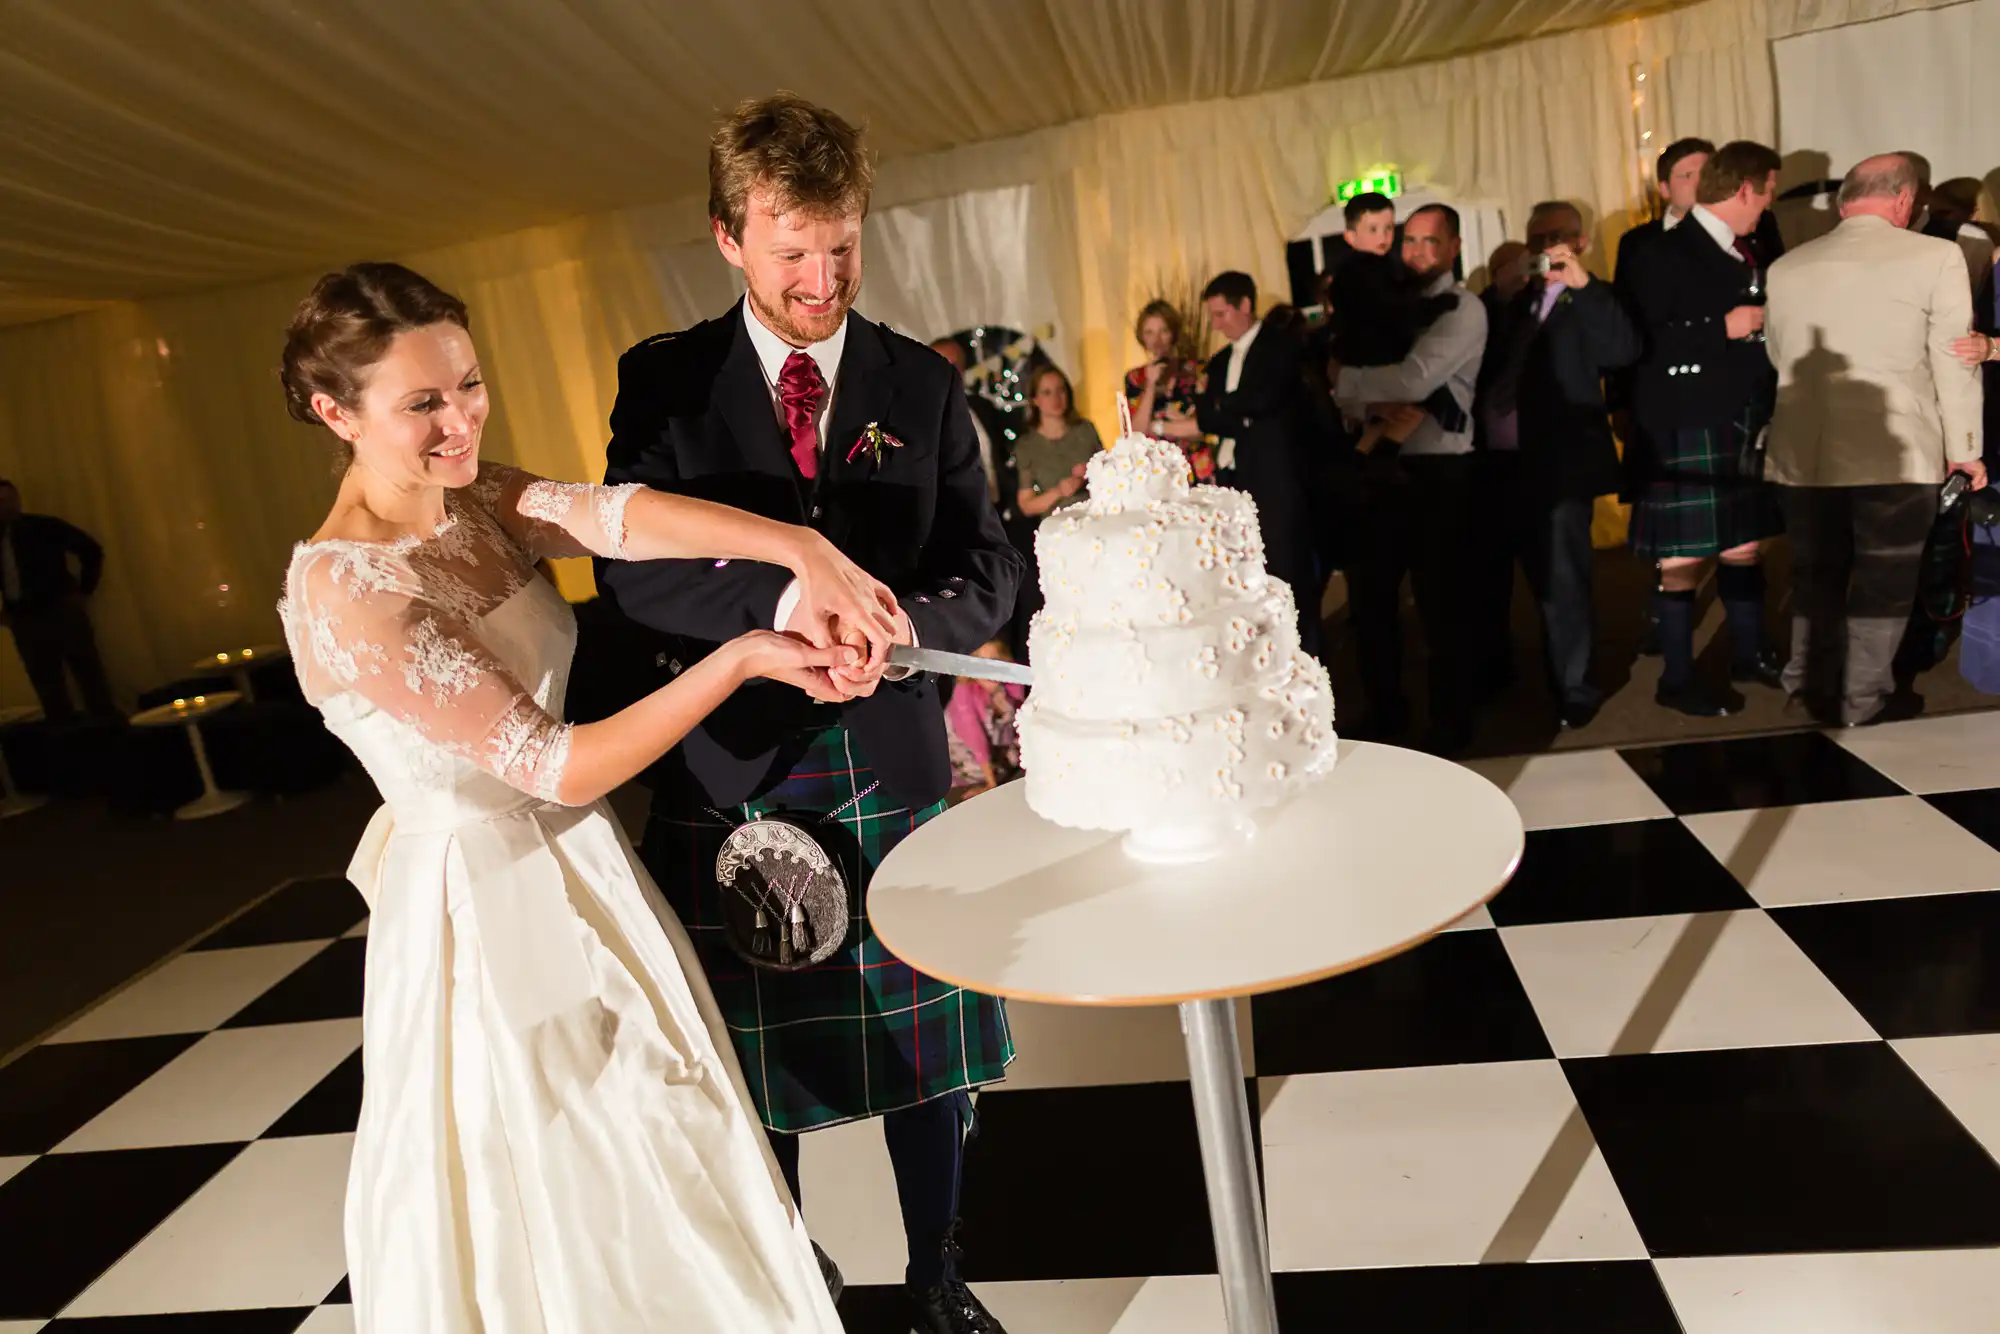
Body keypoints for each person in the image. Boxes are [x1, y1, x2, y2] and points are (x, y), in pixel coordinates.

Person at [275, 263, 889, 1333]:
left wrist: (799, 546)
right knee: (573, 1180)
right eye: (422, 402)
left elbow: (610, 516)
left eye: (467, 384)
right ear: (337, 413)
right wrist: (744, 653)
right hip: (482, 908)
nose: (459, 418)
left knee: (671, 1142)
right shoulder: (346, 588)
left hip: (580, 864)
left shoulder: (464, 492)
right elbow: (555, 762)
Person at [597, 95, 1022, 1334]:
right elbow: (631, 563)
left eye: (841, 247)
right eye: (791, 251)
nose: (820, 278)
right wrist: (782, 604)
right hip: (737, 765)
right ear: (726, 236)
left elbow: (987, 562)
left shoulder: (921, 383)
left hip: (891, 757)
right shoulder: (663, 384)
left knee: (924, 1054)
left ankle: (935, 1277)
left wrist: (904, 628)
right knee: (759, 1062)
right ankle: (790, 1283)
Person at [1763, 153, 1986, 726]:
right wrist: (1965, 449)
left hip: (1802, 452)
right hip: (1896, 449)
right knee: (1884, 580)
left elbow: (1780, 357)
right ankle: (1860, 698)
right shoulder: (1937, 256)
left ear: (1844, 202)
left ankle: (1805, 682)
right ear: (1906, 201)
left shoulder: (1788, 266)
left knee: (1815, 572)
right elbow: (1953, 360)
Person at [1624, 139, 1787, 718]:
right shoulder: (1661, 253)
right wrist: (1721, 327)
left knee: (1744, 545)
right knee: (1682, 559)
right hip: (1686, 418)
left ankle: (1747, 652)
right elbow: (1635, 344)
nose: (1767, 207)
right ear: (1745, 189)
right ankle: (1677, 676)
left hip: (1742, 414)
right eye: (1766, 193)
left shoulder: (1750, 245)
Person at [1474, 201, 1642, 730]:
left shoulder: (1595, 296)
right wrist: (1497, 295)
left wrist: (1584, 285)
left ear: (1581, 241)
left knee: (1565, 581)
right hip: (1496, 462)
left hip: (1558, 463)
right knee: (1493, 578)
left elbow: (1622, 350)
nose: (1546, 246)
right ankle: (1498, 674)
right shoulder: (1510, 301)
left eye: (1557, 236)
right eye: (1538, 237)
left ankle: (1575, 687)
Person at [1330, 204, 1489, 753]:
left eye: (1430, 241)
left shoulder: (1463, 309)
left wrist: (1341, 380)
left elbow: (1412, 380)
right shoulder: (1383, 302)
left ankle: (1452, 729)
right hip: (1379, 464)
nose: (1417, 251)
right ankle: (1385, 713)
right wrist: (1359, 404)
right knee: (1372, 601)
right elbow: (1372, 393)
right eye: (1409, 240)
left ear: (1453, 247)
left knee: (1441, 605)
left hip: (1439, 471)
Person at [1195, 270, 1322, 658]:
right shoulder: (1218, 363)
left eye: (1221, 314)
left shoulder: (1279, 347)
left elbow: (1267, 399)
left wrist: (1229, 405)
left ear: (1245, 305)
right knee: (1247, 579)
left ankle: (1306, 661)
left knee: (1287, 576)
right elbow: (1208, 417)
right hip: (1234, 480)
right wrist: (1236, 409)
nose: (1216, 325)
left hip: (1275, 481)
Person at [0, 477, 117, 722]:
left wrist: (83, 590)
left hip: (60, 609)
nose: (8, 506)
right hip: (24, 619)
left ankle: (111, 734)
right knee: (47, 686)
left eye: (11, 500)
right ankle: (67, 742)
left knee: (89, 678)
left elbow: (91, 550)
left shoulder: (43, 526)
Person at [1124, 299, 1215, 482]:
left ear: (1173, 333)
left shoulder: (1197, 371)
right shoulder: (1135, 378)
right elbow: (1136, 433)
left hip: (1195, 466)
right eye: (1149, 332)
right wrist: (1150, 386)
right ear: (1142, 337)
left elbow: (1202, 427)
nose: (1157, 340)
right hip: (1155, 470)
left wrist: (1157, 426)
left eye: (1163, 331)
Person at [1014, 364, 1102, 519]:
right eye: (1047, 393)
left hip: (1097, 512)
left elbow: (1111, 471)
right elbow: (1026, 505)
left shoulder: (1085, 430)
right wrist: (1059, 491)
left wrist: (1092, 470)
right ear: (1035, 399)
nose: (1055, 398)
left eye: (1060, 390)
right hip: (1060, 524)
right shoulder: (1027, 446)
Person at [945, 638, 1025, 800]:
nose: (989, 670)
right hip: (968, 753)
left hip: (1000, 747)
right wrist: (991, 785)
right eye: (981, 663)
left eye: (995, 662)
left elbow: (1020, 722)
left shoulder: (1012, 684)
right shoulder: (963, 692)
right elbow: (976, 740)